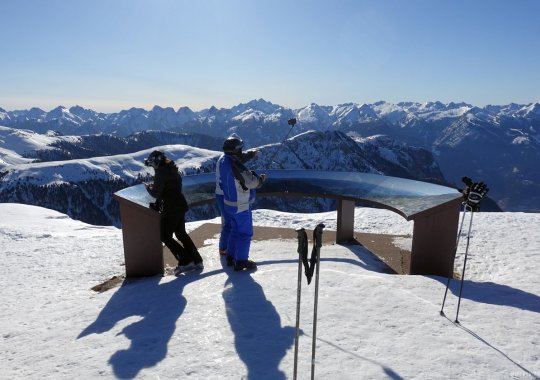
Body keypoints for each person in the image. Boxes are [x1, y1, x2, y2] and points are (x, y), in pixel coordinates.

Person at [144, 150, 203, 275]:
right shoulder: (172, 168)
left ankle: (186, 262)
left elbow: (156, 193)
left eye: (153, 164)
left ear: (157, 161)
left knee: (165, 236)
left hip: (171, 208)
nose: (153, 166)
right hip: (180, 205)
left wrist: (149, 188)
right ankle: (197, 260)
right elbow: (172, 188)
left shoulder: (161, 173)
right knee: (181, 234)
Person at [217, 135, 266, 271]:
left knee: (234, 230)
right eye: (240, 149)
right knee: (245, 234)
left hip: (229, 204)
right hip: (240, 205)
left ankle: (231, 257)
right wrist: (260, 180)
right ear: (235, 150)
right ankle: (241, 261)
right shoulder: (235, 164)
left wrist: (251, 154)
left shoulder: (223, 160)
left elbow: (238, 165)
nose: (241, 151)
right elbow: (250, 182)